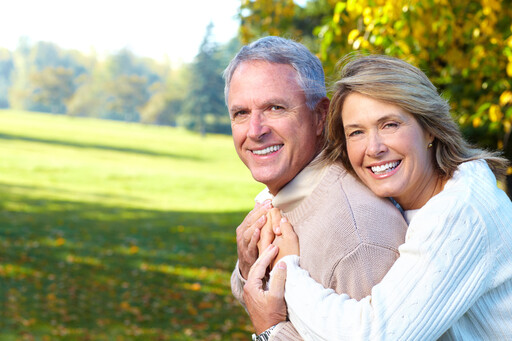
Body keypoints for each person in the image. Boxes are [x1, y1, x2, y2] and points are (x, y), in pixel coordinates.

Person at [244, 54, 512, 340]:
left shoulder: (462, 211)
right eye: (356, 132)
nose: (373, 148)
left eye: (390, 125)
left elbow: (376, 335)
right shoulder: (412, 199)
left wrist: (288, 275)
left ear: (430, 127)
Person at [223, 38, 408, 340]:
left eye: (275, 108)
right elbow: (268, 303)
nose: (255, 131)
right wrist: (248, 267)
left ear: (321, 115)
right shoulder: (289, 195)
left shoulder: (359, 236)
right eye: (241, 113)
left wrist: (271, 331)